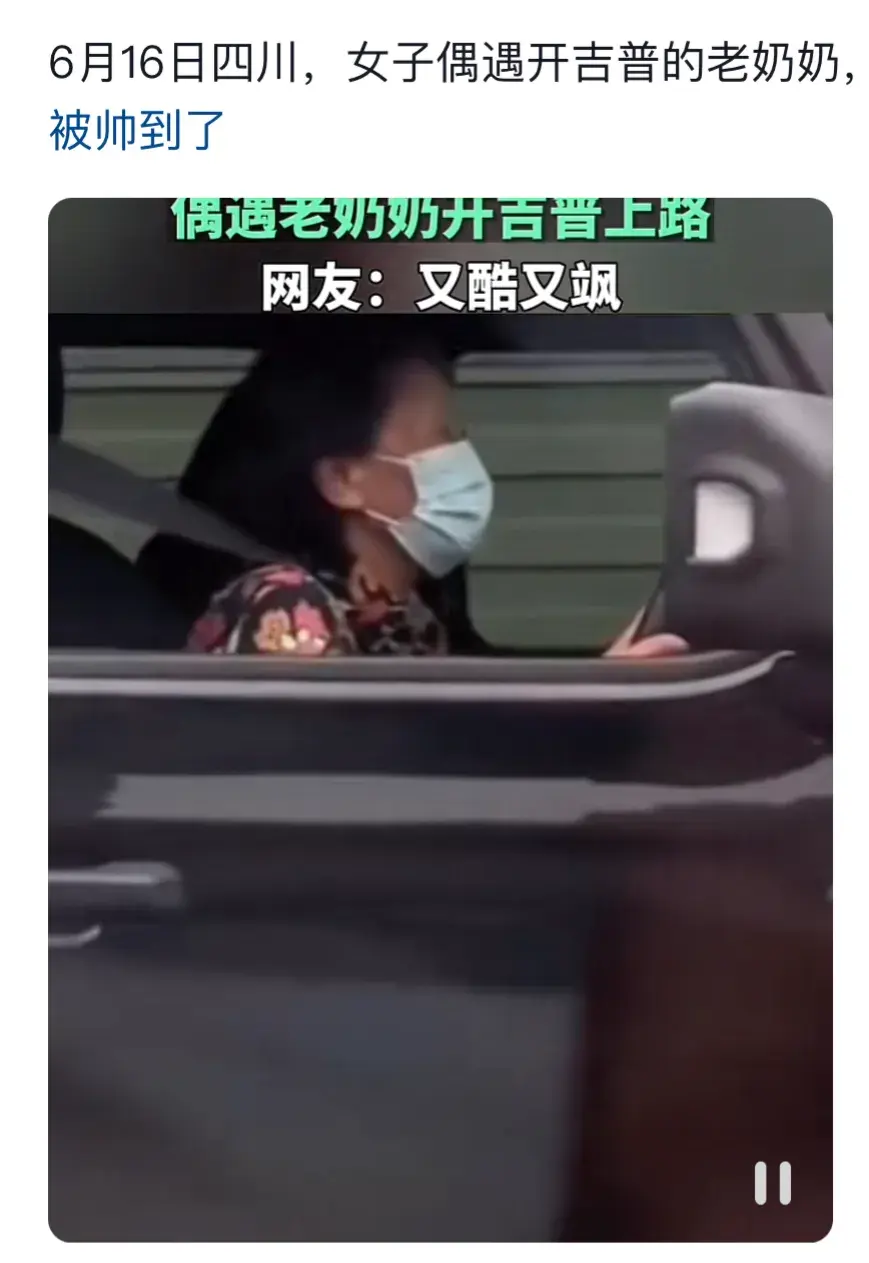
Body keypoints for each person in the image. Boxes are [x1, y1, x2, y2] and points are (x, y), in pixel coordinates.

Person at [180, 337, 686, 660]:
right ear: (342, 479)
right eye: (440, 438)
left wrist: (609, 685)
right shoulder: (289, 608)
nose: (463, 459)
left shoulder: (415, 609)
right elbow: (347, 781)